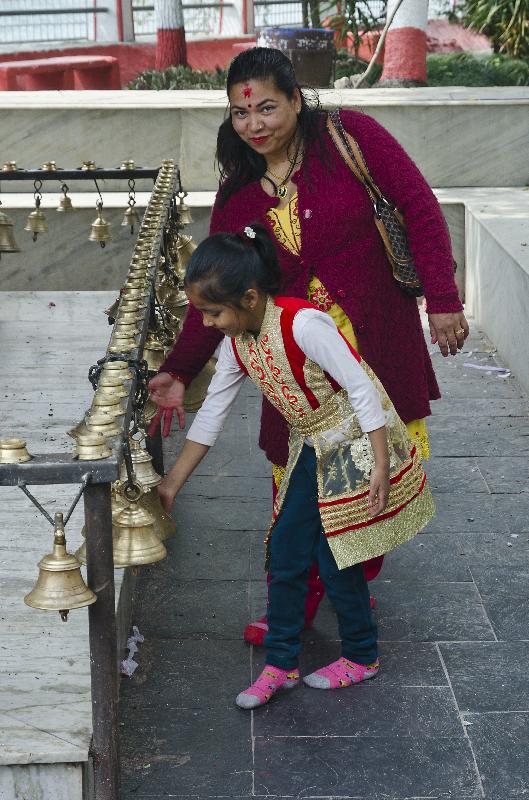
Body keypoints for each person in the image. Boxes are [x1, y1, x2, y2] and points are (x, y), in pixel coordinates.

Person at [149, 46, 468, 645]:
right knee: (294, 486)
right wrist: (179, 369)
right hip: (294, 372)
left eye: (268, 107)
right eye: (242, 115)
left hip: (377, 343)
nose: (256, 125)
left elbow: (420, 209)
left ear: (297, 100)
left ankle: (349, 573)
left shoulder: (352, 139)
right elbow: (215, 289)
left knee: (373, 471)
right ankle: (296, 596)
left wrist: (443, 300)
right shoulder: (240, 192)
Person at [158, 224, 435, 709]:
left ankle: (362, 655)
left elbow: (362, 387)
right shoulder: (237, 342)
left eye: (212, 312)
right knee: (286, 550)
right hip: (310, 441)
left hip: (354, 440)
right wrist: (170, 486)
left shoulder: (304, 323)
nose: (206, 324)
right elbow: (211, 420)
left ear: (248, 297)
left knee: (337, 555)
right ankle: (280, 664)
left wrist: (379, 461)